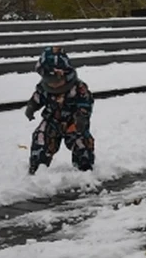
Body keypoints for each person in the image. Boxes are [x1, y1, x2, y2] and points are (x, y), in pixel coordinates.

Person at [24, 46, 95, 174]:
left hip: (73, 122)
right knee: (40, 137)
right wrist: (31, 107)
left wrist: (82, 116)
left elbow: (86, 102)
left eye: (56, 81)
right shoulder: (44, 87)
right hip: (52, 120)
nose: (53, 85)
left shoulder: (78, 88)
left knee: (81, 141)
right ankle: (38, 166)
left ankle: (84, 167)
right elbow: (37, 97)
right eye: (49, 81)